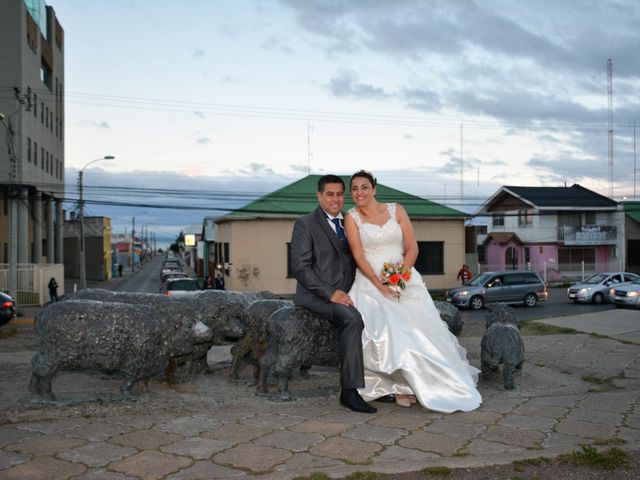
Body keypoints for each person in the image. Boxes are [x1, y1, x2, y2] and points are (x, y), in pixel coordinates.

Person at [344, 170, 481, 412]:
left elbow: (412, 248)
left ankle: (419, 385)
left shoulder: (397, 210)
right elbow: (358, 255)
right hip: (370, 283)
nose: (359, 192)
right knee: (391, 330)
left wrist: (399, 279)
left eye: (364, 187)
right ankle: (399, 386)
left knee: (422, 332)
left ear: (374, 189)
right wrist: (380, 285)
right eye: (354, 188)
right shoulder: (351, 217)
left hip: (404, 278)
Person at [290, 174, 376, 414]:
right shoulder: (305, 224)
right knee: (352, 319)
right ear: (319, 196)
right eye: (330, 194)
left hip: (352, 290)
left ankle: (379, 386)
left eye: (340, 194)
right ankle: (349, 392)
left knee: (381, 314)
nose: (336, 199)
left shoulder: (351, 220)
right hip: (316, 295)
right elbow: (300, 267)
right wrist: (331, 294)